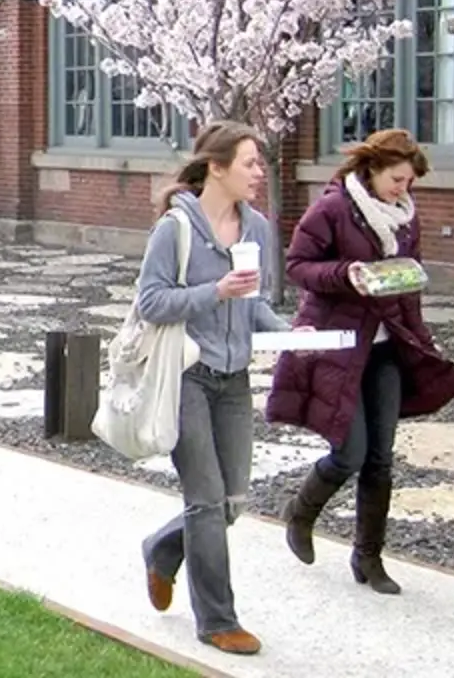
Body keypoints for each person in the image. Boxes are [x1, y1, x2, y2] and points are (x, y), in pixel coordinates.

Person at [266, 129, 454, 595]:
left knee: (381, 460)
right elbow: (298, 264)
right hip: (338, 343)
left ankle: (368, 557)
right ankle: (301, 510)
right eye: (397, 179)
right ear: (374, 170)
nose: (404, 188)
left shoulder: (405, 216)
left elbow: (409, 279)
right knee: (350, 452)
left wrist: (419, 336)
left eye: (408, 182)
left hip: (387, 349)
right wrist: (347, 274)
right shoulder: (334, 208)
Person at [138, 121, 293, 657]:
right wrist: (214, 291)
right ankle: (218, 620)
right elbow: (151, 302)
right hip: (187, 376)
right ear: (217, 167)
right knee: (204, 500)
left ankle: (160, 550)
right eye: (249, 163)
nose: (258, 173)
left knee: (230, 501)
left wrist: (291, 336)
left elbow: (253, 305)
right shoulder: (175, 230)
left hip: (235, 380)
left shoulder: (258, 229)